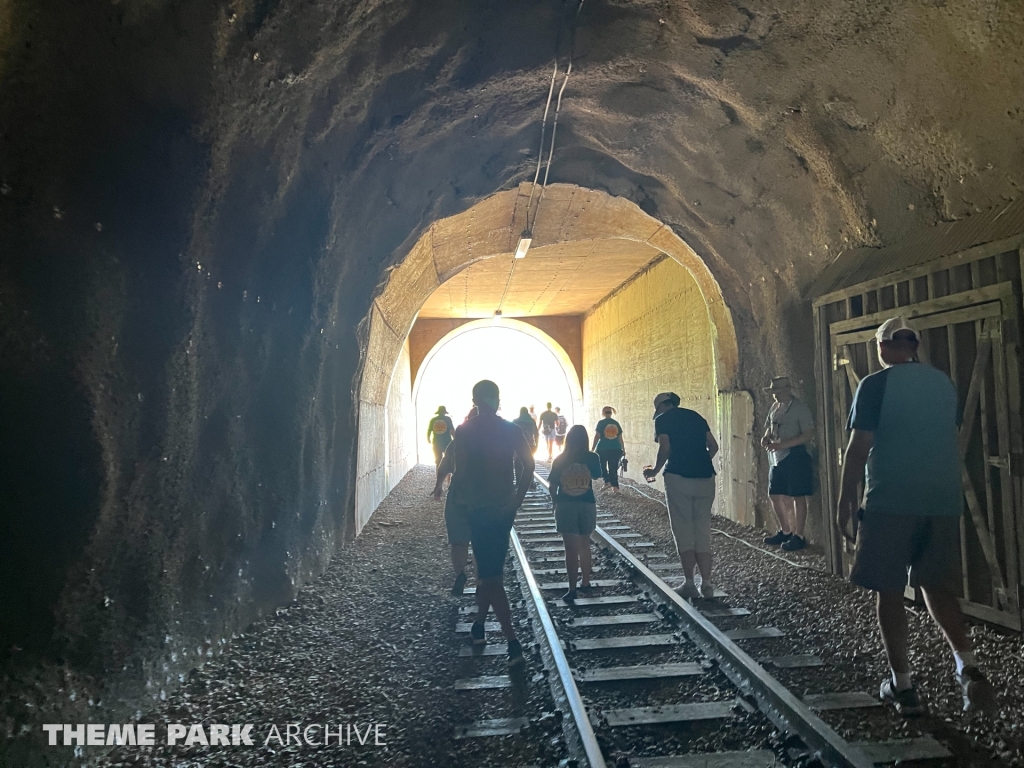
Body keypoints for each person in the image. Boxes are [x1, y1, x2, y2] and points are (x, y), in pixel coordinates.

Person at [838, 317, 996, 717]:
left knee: (889, 590)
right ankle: (967, 665)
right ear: (915, 346)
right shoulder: (942, 383)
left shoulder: (875, 385)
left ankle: (903, 686)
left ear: (883, 347)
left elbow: (858, 449)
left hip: (891, 501)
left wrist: (844, 500)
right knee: (936, 586)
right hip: (942, 502)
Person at [449, 380, 535, 667]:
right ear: (497, 401)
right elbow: (529, 465)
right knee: (489, 570)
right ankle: (479, 624)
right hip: (502, 508)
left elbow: (459, 474)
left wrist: (455, 503)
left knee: (490, 576)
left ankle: (512, 643)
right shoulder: (511, 429)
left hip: (476, 508)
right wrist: (516, 499)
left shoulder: (464, 430)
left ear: (475, 401)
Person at [643, 392, 719, 599]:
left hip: (678, 477)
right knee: (702, 529)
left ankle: (689, 584)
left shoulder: (662, 420)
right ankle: (707, 584)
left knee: (684, 528)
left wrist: (654, 471)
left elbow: (665, 448)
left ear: (660, 407)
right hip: (706, 477)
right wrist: (700, 461)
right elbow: (713, 446)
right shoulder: (696, 416)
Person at [547, 425, 603, 605]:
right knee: (584, 544)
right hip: (587, 504)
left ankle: (572, 589)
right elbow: (596, 476)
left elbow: (552, 485)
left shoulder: (561, 459)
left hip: (566, 505)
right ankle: (585, 582)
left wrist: (555, 502)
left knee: (570, 549)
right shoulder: (592, 457)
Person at [760, 377, 815, 551]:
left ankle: (798, 535)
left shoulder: (799, 409)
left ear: (787, 391)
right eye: (773, 392)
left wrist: (783, 445)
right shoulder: (775, 407)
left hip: (795, 455)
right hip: (777, 456)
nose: (775, 395)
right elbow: (770, 426)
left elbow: (808, 435)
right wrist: (766, 437)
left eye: (777, 392)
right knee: (775, 494)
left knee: (798, 496)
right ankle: (785, 530)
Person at [433, 411, 477, 597]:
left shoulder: (458, 441)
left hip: (459, 495)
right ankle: (482, 579)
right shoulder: (495, 441)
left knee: (459, 542)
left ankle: (460, 574)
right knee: (480, 542)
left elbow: (444, 466)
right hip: (485, 498)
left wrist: (438, 486)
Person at [592, 406, 625, 493]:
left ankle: (607, 481)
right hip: (616, 448)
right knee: (613, 468)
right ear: (611, 413)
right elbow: (620, 438)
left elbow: (597, 436)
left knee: (601, 466)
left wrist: (592, 448)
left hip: (602, 448)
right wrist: (623, 449)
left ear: (603, 413)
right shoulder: (616, 423)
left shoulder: (601, 423)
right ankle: (615, 488)